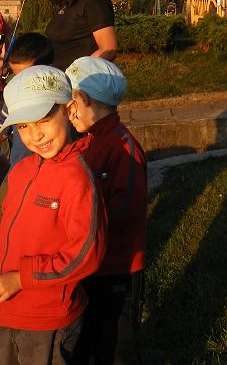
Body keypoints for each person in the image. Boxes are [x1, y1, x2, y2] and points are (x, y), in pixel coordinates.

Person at [0, 65, 107, 365]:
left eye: (43, 120)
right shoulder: (22, 170)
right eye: (23, 126)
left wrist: (21, 279)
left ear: (69, 111)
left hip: (47, 318)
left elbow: (86, 253)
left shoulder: (77, 180)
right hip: (5, 308)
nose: (35, 135)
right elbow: (8, 226)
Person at [65, 57, 147, 365]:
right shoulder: (88, 141)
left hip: (117, 268)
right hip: (91, 264)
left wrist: (83, 226)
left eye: (70, 103)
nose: (67, 111)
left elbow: (126, 209)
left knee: (117, 344)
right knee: (90, 338)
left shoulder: (124, 148)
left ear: (83, 99)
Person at [0, 32, 55, 168]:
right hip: (20, 171)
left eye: (27, 76)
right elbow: (0, 134)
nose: (20, 82)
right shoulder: (13, 96)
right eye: (16, 76)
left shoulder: (61, 97)